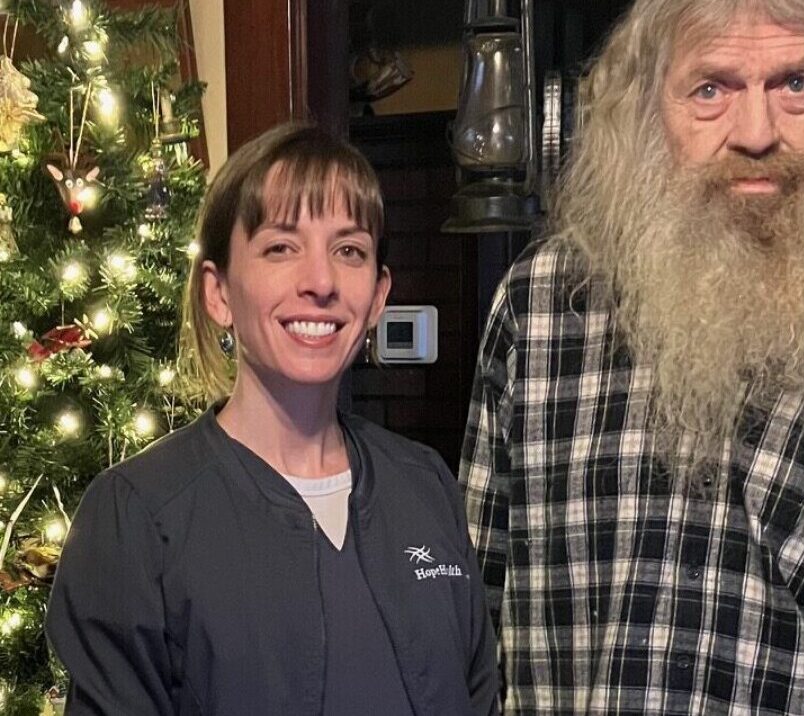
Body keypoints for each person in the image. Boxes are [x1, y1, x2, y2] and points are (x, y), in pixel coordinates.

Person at [460, 0, 804, 713]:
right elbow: (468, 629)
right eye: (710, 89)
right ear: (646, 108)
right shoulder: (541, 303)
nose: (756, 134)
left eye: (796, 84)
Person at [47, 123, 499, 715]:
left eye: (349, 250)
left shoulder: (424, 486)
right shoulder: (137, 515)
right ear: (219, 293)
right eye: (281, 247)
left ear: (377, 295)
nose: (321, 282)